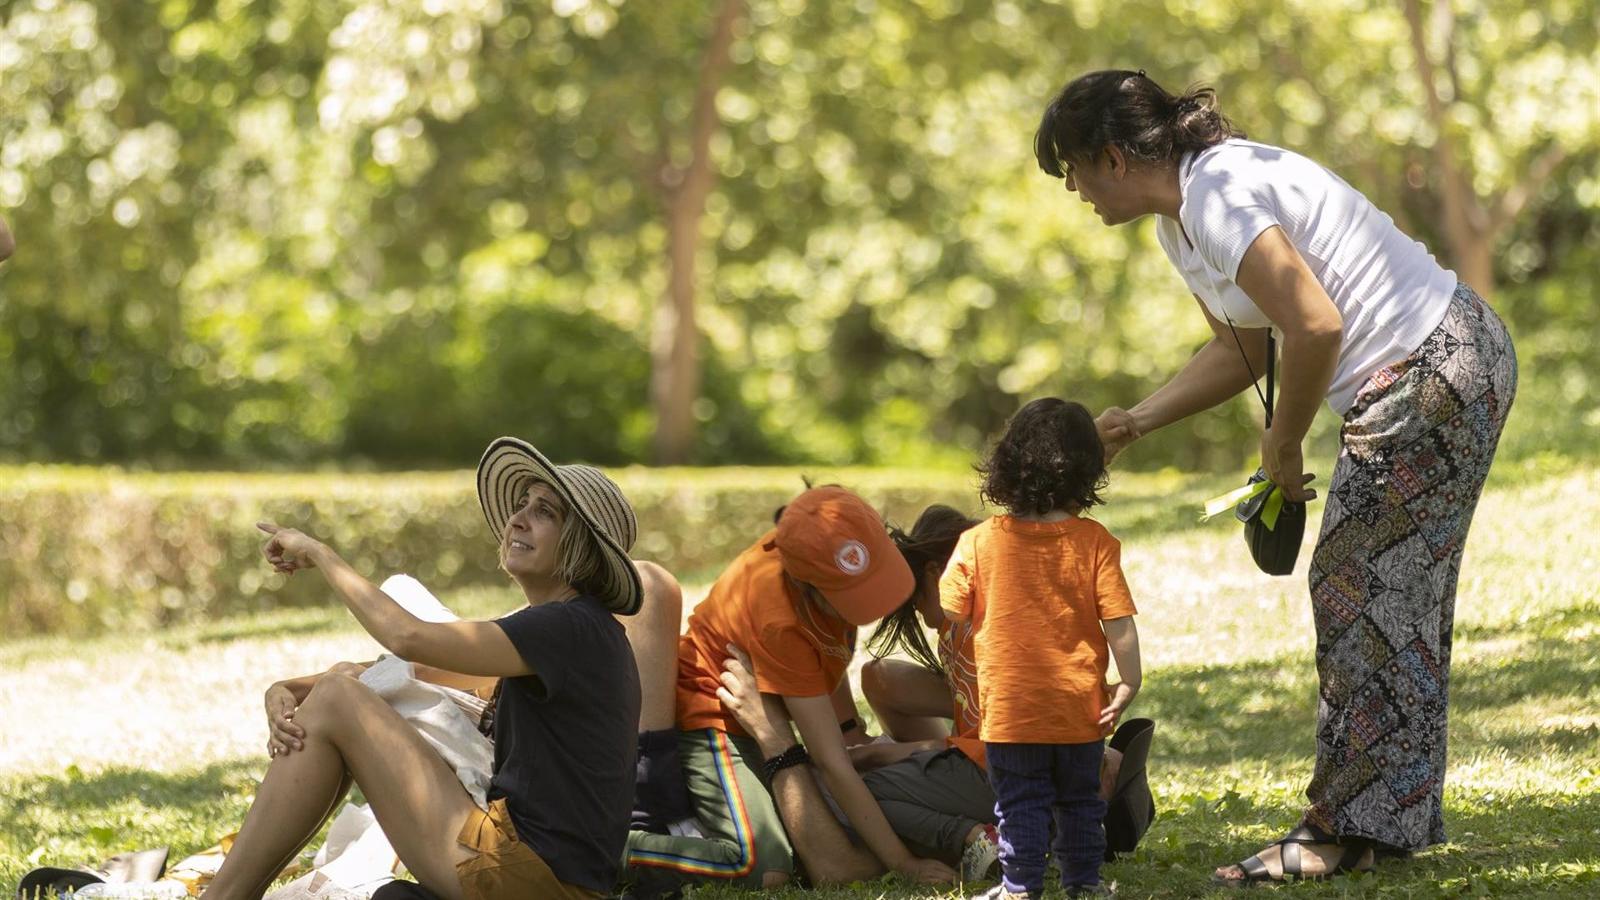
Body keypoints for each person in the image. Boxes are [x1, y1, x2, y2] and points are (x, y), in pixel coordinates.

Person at [1034, 70, 1518, 884]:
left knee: (1357, 586)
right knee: (1390, 591)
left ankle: (1342, 831)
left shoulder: (1218, 195)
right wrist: (1138, 420)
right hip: (1448, 357)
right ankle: (1384, 821)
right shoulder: (1181, 223)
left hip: (1432, 364)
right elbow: (1244, 348)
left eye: (1073, 171)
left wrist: (1283, 444)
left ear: (1113, 157)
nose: (1074, 190)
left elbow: (1315, 325)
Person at [202, 437, 642, 900]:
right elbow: (420, 669)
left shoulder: (569, 627)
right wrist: (291, 688)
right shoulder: (575, 632)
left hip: (526, 875)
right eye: (522, 504)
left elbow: (407, 637)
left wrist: (320, 554)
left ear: (580, 546)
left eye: (545, 512)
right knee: (391, 893)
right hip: (534, 875)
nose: (518, 518)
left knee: (335, 698)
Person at [620, 486, 957, 894]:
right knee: (760, 865)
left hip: (760, 710)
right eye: (850, 596)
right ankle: (607, 846)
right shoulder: (779, 620)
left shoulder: (822, 545)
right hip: (717, 715)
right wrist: (902, 863)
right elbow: (831, 763)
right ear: (804, 585)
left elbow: (826, 650)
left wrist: (850, 729)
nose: (869, 606)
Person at [942, 397, 1142, 900]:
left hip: (1010, 710)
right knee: (1080, 801)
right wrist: (1129, 681)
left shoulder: (978, 542)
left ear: (1007, 463)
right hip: (1079, 707)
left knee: (1020, 803)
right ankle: (1084, 883)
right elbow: (1119, 622)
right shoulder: (1095, 542)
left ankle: (1020, 887)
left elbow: (950, 610)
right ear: (1089, 472)